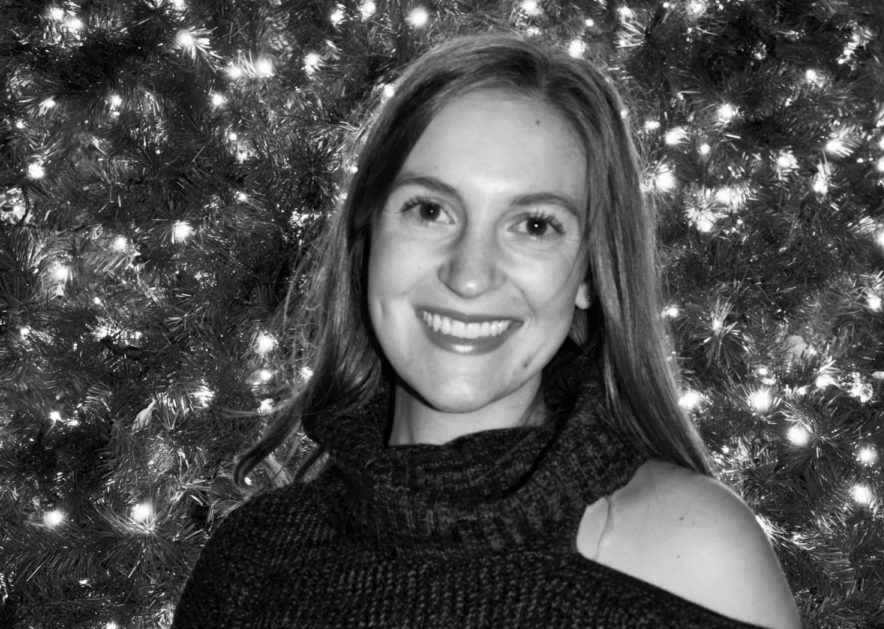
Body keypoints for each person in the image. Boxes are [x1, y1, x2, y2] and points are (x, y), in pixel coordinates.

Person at [173, 33, 801, 628]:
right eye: (429, 209)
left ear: (591, 271)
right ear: (369, 237)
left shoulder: (693, 554)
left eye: (534, 225)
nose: (470, 276)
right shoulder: (253, 561)